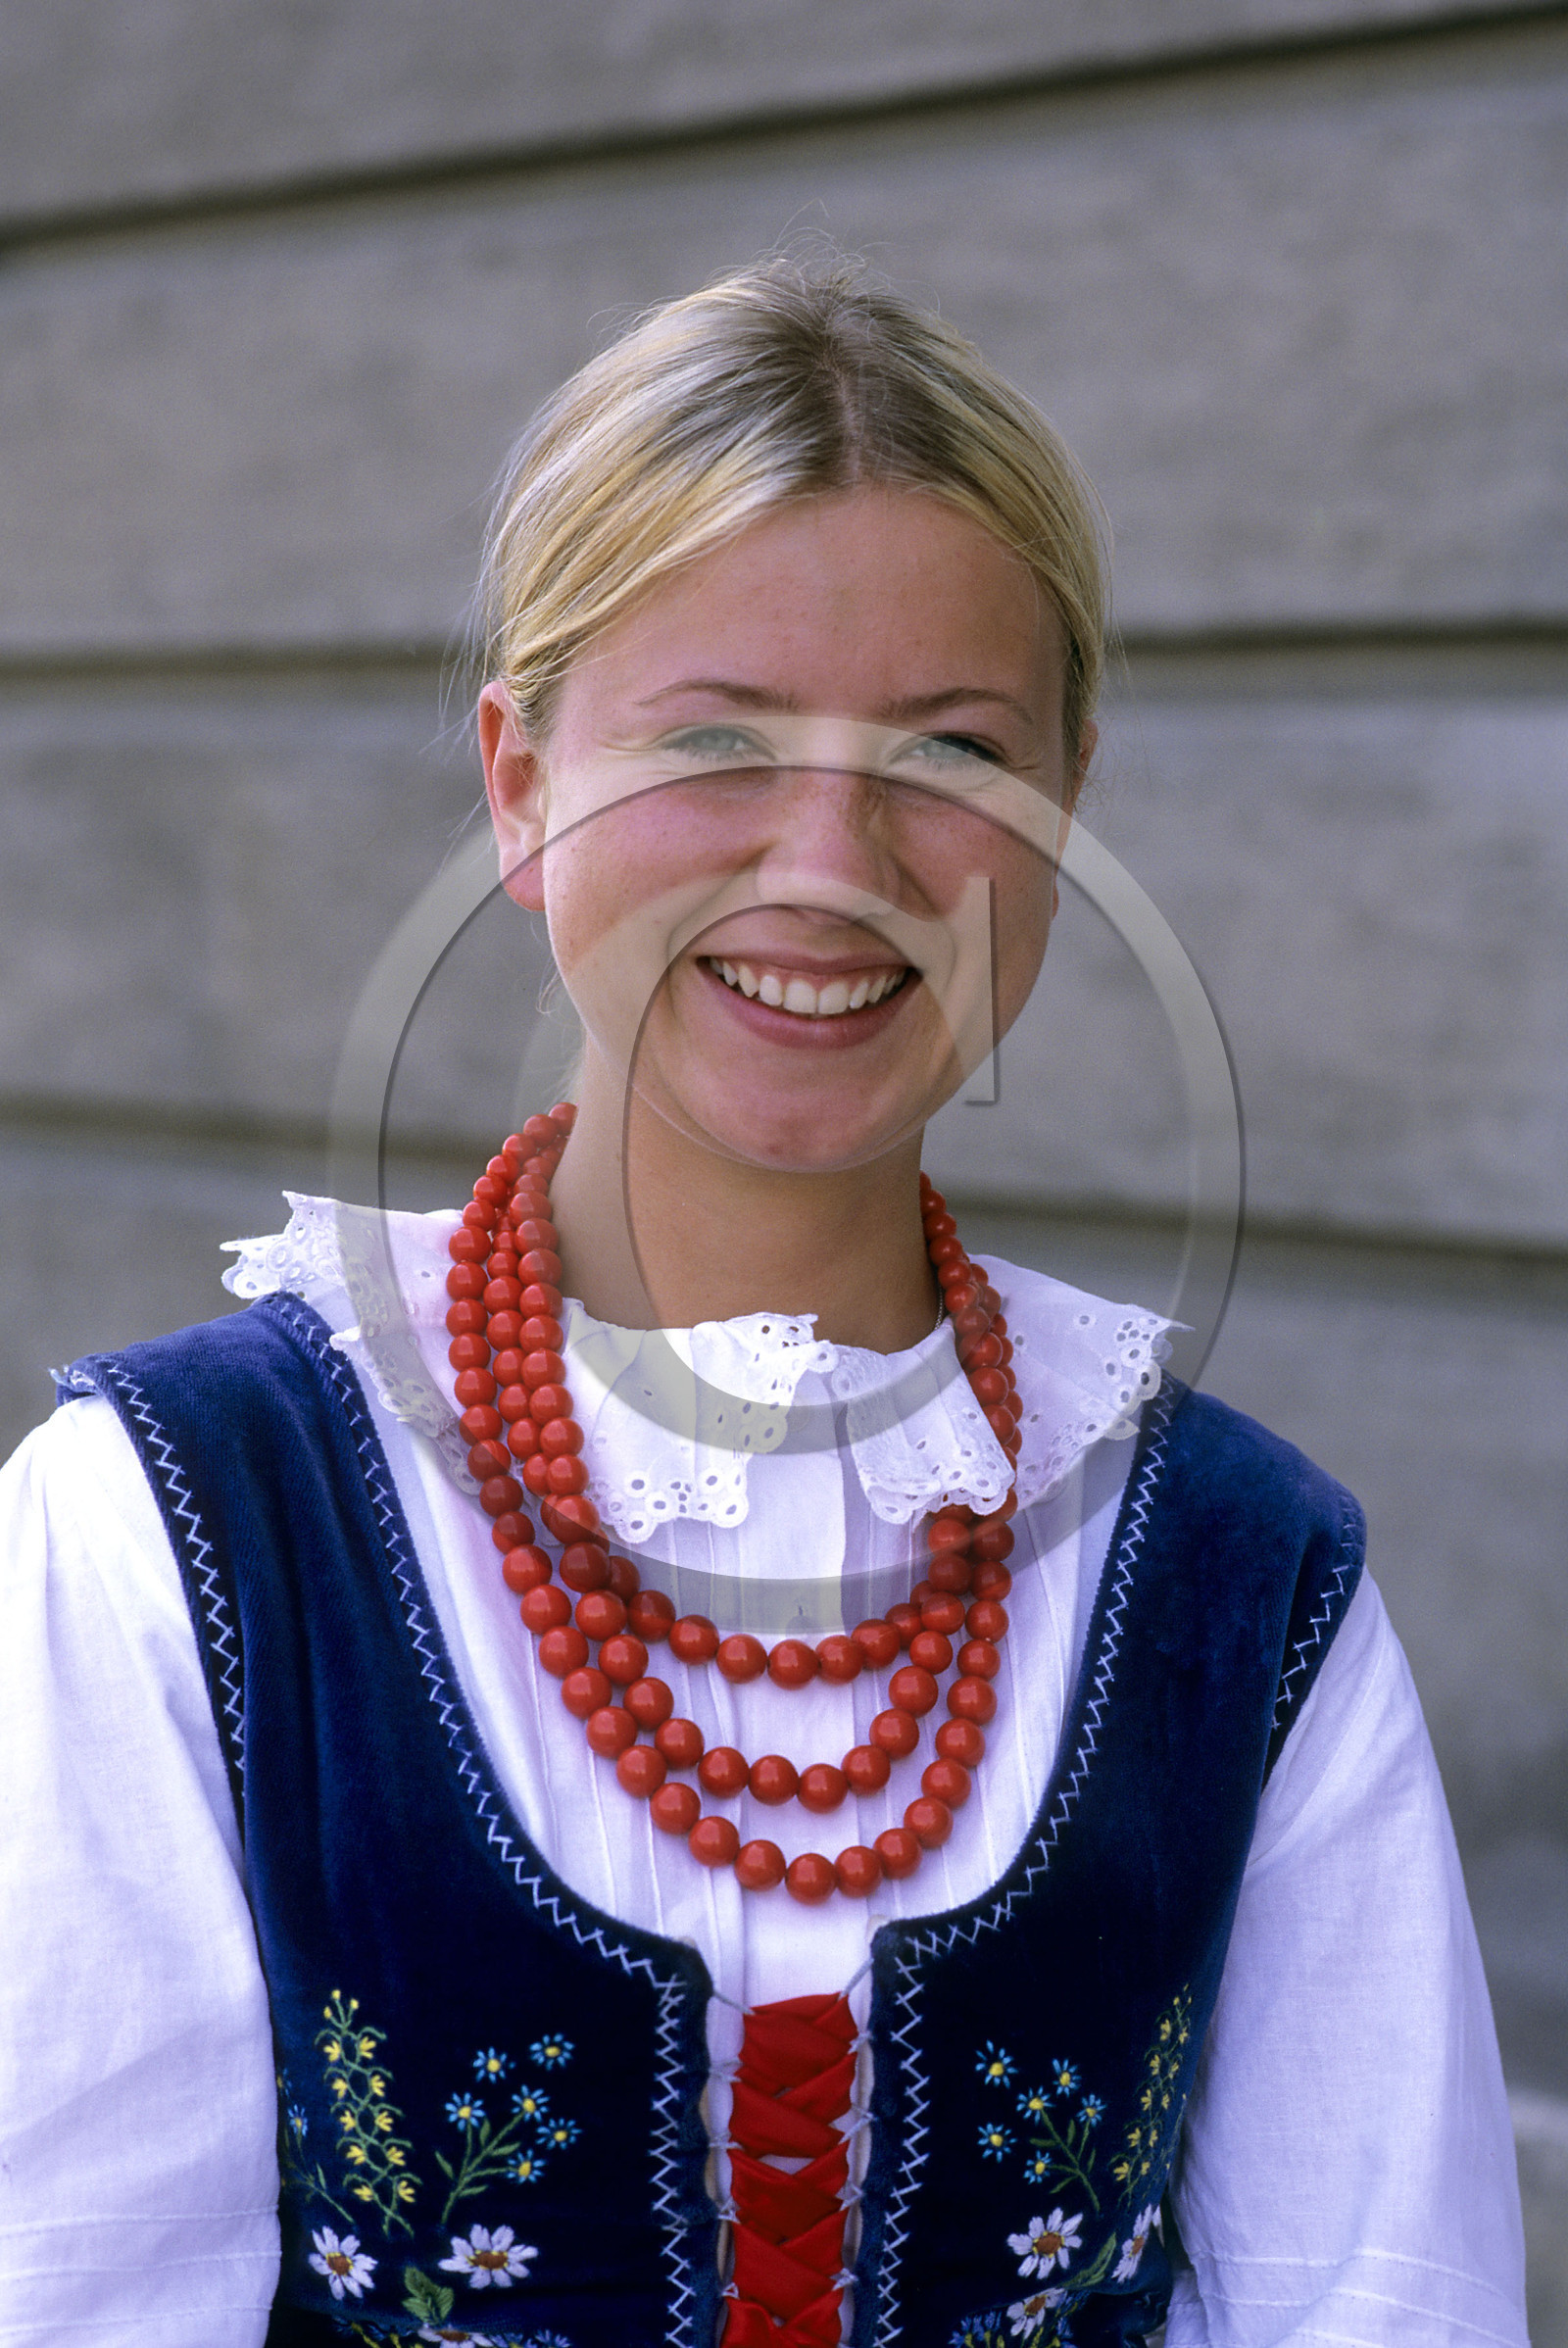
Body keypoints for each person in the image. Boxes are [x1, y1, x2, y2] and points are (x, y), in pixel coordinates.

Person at [0, 257, 1527, 2348]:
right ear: (521, 785)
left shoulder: (1241, 1586)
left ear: (1063, 805)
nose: (828, 857)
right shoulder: (166, 1530)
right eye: (713, 737)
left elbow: (1376, 2300)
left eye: (949, 751)